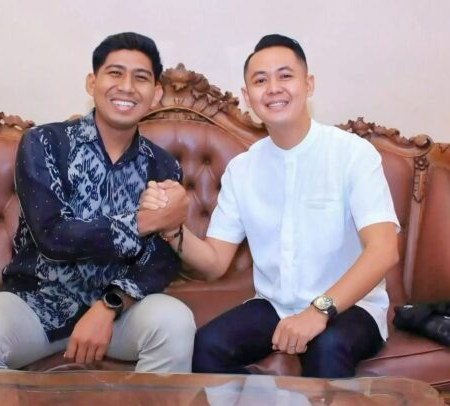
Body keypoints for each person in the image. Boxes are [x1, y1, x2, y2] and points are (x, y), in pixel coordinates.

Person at [141, 34, 400, 378]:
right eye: (261, 81)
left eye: (285, 76)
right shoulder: (242, 170)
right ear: (248, 96)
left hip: (349, 306)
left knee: (327, 346)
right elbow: (215, 262)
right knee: (206, 348)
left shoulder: (352, 154)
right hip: (276, 306)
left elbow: (384, 251)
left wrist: (318, 312)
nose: (274, 88)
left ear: (308, 84)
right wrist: (172, 227)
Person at [0, 32, 195, 372]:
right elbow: (54, 235)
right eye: (115, 73)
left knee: (174, 323)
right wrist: (144, 222)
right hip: (36, 302)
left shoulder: (163, 165)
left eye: (140, 78)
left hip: (122, 309)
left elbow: (160, 261)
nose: (127, 87)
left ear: (156, 93)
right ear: (92, 82)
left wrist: (109, 305)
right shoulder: (44, 143)